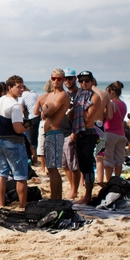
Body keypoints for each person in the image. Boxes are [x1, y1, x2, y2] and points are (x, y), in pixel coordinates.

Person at [0, 75, 29, 208]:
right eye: (18, 87)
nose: (21, 89)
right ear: (10, 87)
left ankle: (1, 204)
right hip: (13, 141)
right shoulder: (15, 105)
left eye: (22, 86)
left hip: (0, 140)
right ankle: (22, 205)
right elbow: (18, 128)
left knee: (1, 174)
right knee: (20, 176)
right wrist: (27, 126)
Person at [71, 71, 102, 204]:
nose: (84, 83)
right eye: (81, 81)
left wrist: (77, 109)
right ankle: (86, 195)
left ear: (92, 81)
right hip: (79, 133)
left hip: (88, 133)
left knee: (88, 166)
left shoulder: (94, 97)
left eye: (86, 81)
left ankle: (88, 196)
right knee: (83, 166)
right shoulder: (79, 95)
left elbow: (89, 119)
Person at [40, 69, 70, 200]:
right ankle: (55, 198)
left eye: (59, 79)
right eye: (53, 78)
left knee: (53, 168)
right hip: (49, 133)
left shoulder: (62, 95)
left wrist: (45, 106)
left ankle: (55, 198)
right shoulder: (51, 95)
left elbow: (46, 113)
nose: (56, 81)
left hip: (55, 133)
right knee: (51, 168)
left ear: (63, 80)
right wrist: (45, 107)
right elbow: (42, 113)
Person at [61, 68, 81, 199]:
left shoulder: (80, 94)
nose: (67, 81)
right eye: (65, 78)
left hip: (72, 132)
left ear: (75, 79)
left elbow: (83, 115)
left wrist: (75, 131)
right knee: (64, 165)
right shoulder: (64, 95)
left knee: (73, 165)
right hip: (61, 131)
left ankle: (74, 189)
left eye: (70, 78)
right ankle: (72, 186)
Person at [103, 81, 128, 181]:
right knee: (119, 160)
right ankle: (117, 180)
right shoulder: (124, 104)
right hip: (121, 134)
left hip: (110, 133)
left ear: (112, 92)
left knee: (108, 160)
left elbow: (110, 116)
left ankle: (109, 181)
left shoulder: (111, 104)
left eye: (107, 93)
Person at [91, 79, 110, 183]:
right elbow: (110, 115)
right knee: (100, 156)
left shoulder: (87, 93)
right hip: (100, 126)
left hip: (89, 125)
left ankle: (82, 181)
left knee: (85, 154)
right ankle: (100, 180)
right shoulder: (105, 94)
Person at [34, 80, 54, 174]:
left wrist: (42, 112)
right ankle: (51, 166)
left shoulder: (41, 97)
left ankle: (43, 167)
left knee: (42, 145)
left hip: (43, 122)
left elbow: (35, 112)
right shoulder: (56, 97)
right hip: (54, 121)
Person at [21, 86, 39, 165]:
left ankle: (34, 159)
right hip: (38, 116)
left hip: (31, 117)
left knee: (30, 139)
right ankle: (35, 159)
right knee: (35, 137)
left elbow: (22, 108)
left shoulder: (23, 95)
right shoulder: (33, 92)